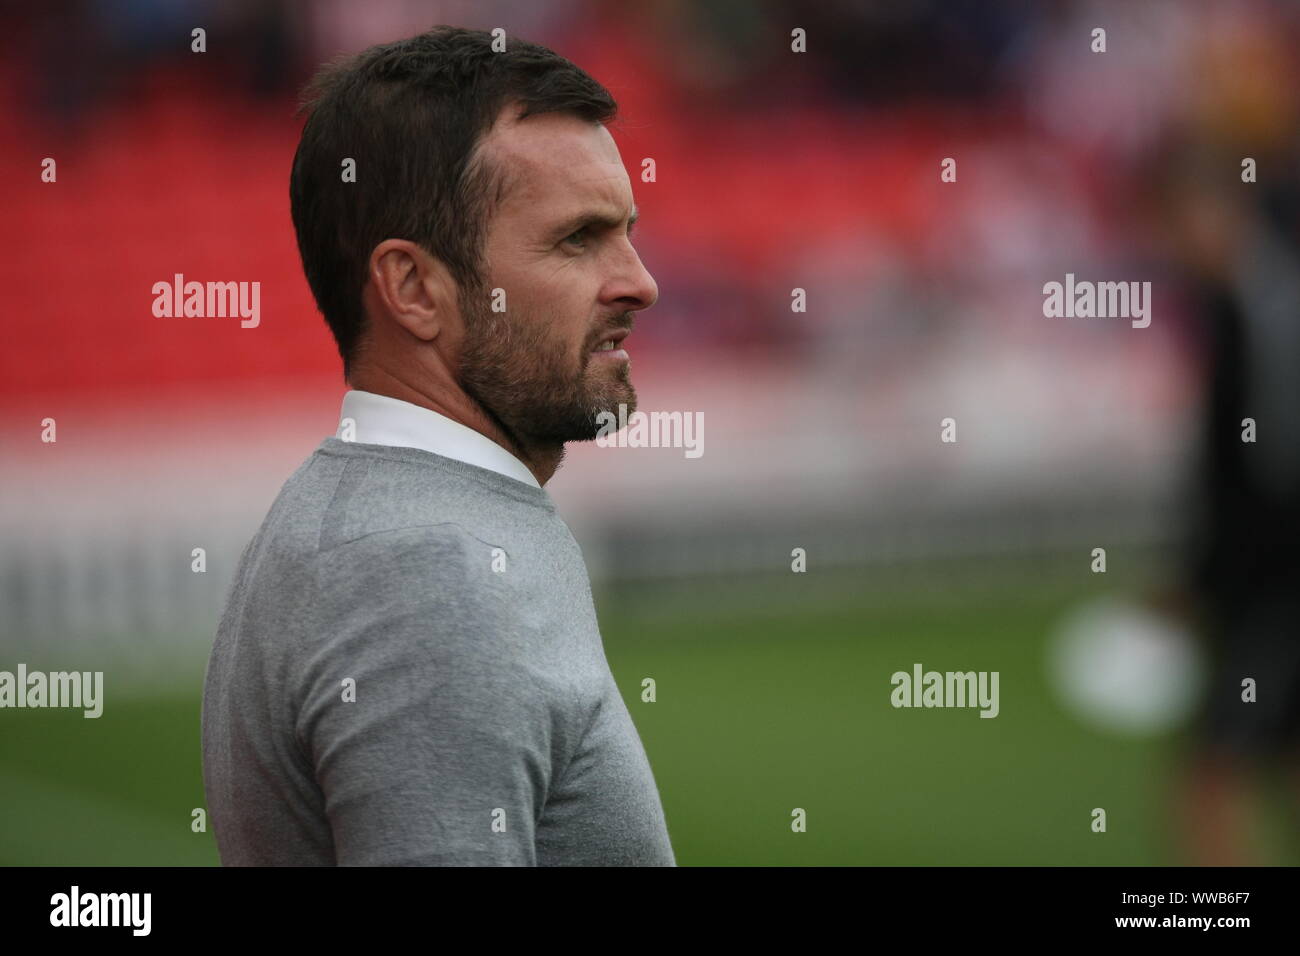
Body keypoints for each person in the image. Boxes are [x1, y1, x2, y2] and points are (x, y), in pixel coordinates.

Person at [201, 25, 673, 866]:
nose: (641, 282)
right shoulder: (427, 570)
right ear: (415, 288)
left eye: (627, 231)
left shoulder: (397, 523)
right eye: (578, 238)